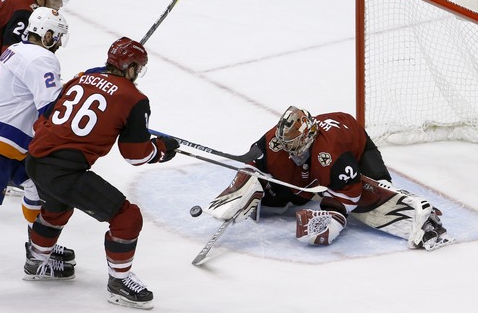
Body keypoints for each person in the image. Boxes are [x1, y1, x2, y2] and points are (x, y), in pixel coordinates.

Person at [24, 37, 180, 309]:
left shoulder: (83, 77)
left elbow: (49, 111)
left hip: (36, 159)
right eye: (137, 68)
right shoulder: (135, 98)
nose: (137, 74)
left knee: (58, 207)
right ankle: (119, 283)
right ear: (130, 67)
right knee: (126, 216)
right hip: (65, 171)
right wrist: (161, 149)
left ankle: (36, 262)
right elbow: (135, 155)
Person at [208, 105, 454, 251]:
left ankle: (421, 220)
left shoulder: (331, 152)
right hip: (320, 161)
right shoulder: (277, 139)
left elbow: (350, 193)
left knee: (381, 186)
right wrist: (248, 185)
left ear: (308, 135)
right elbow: (254, 162)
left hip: (356, 145)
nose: (288, 147)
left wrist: (333, 216)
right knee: (278, 203)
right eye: (286, 142)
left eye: (294, 143)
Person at [0, 7, 74, 263]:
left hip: (5, 141)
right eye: (57, 36)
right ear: (47, 35)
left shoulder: (16, 51)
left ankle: (39, 247)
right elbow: (51, 108)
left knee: (37, 186)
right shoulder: (41, 58)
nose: (58, 43)